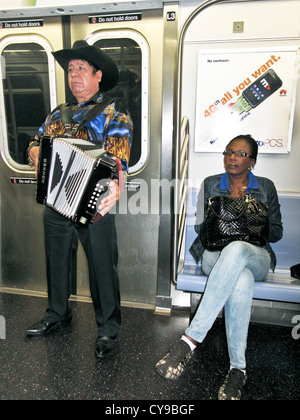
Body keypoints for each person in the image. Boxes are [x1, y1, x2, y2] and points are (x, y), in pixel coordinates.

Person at [25, 40, 133, 360]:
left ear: (98, 75)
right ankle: (57, 313)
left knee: (102, 266)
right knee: (56, 261)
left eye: (81, 69)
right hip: (58, 200)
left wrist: (116, 186)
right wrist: (34, 152)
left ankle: (108, 328)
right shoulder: (60, 113)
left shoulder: (115, 109)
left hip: (95, 201)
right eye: (71, 70)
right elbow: (36, 141)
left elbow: (119, 157)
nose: (74, 75)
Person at [155, 135, 283, 400]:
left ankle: (189, 341)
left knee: (238, 251)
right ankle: (238, 369)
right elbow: (201, 229)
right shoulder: (212, 184)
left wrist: (254, 211)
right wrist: (226, 210)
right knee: (241, 278)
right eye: (228, 152)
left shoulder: (266, 187)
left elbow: (277, 234)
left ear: (252, 162)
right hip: (214, 254)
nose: (232, 157)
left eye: (240, 153)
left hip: (257, 255)